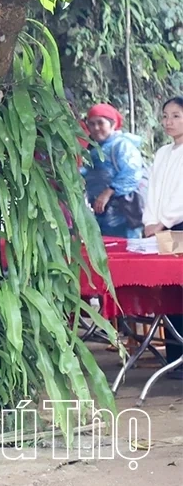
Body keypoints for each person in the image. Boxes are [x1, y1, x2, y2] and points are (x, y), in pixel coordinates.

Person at [143, 96, 183, 376]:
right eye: (165, 116)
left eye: (176, 116)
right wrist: (150, 222)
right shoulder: (162, 153)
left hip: (178, 226)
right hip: (161, 228)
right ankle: (174, 356)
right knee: (169, 288)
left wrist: (165, 221)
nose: (169, 121)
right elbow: (152, 191)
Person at [81, 103, 146, 239]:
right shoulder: (94, 148)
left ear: (112, 124)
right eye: (91, 124)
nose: (96, 128)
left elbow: (131, 172)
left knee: (127, 249)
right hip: (103, 212)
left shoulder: (122, 145)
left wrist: (108, 192)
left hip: (123, 212)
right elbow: (89, 172)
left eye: (100, 123)